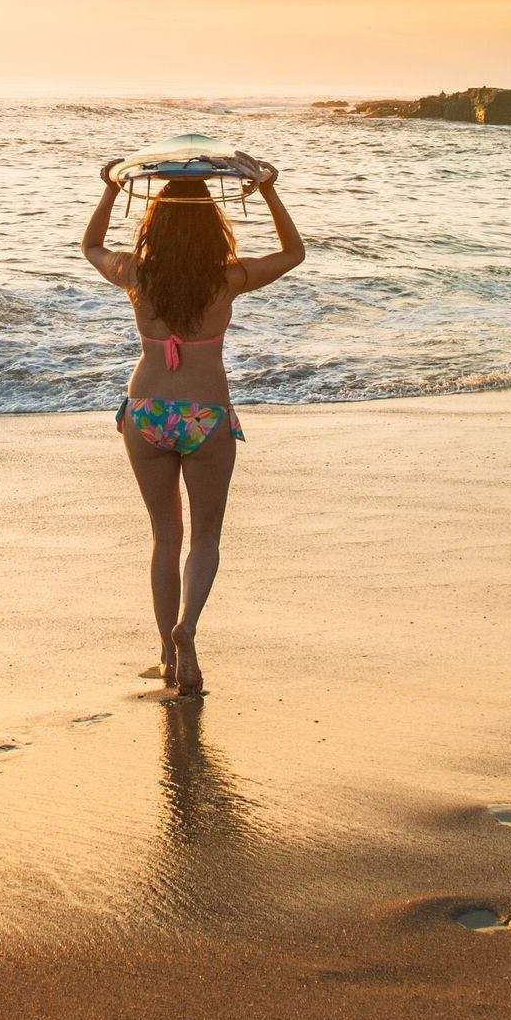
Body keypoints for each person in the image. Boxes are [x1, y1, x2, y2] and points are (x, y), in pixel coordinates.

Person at [80, 160, 305, 695]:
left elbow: (90, 246)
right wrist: (269, 191)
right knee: (204, 536)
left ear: (152, 225)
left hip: (146, 413)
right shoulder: (227, 278)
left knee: (164, 536)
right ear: (213, 225)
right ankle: (188, 631)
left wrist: (110, 190)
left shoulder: (136, 273)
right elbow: (293, 253)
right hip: (207, 416)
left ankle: (164, 650)